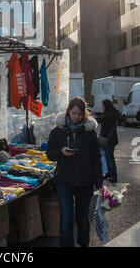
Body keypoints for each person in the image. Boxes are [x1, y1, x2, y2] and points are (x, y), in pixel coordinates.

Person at [47, 97, 103, 247]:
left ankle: (84, 244)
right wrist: (61, 151)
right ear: (68, 112)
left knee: (82, 218)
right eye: (73, 113)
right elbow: (49, 154)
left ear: (84, 114)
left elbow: (96, 158)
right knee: (66, 218)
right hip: (64, 180)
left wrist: (99, 182)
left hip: (85, 181)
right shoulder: (57, 131)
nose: (76, 117)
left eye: (79, 114)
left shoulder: (89, 133)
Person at [96, 99, 119, 184]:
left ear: (106, 106)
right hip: (110, 139)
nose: (102, 107)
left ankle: (113, 176)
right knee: (107, 157)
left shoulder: (109, 114)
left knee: (109, 158)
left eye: (102, 106)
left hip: (109, 140)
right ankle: (109, 173)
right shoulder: (112, 113)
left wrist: (91, 119)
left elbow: (100, 119)